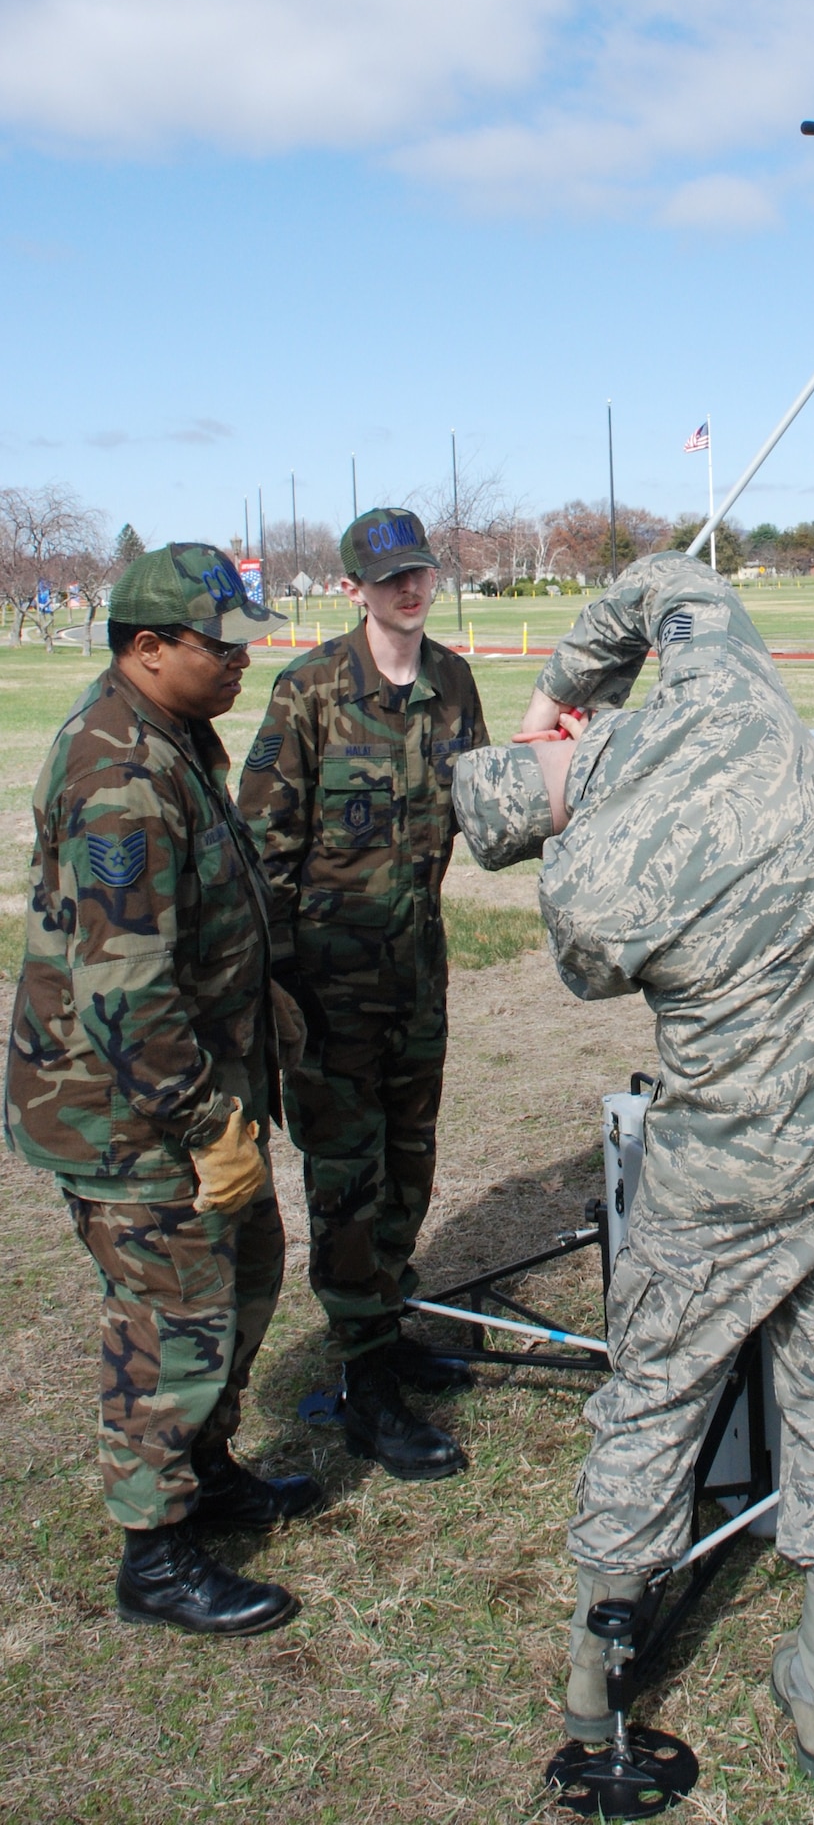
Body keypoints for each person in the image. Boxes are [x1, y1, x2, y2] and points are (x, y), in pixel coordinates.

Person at [452, 551, 814, 1780]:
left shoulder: (588, 883)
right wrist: (561, 686)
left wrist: (565, 797)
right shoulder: (727, 692)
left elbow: (591, 959)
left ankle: (594, 1680)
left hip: (730, 1164)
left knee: (654, 1395)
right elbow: (666, 578)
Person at [5, 544, 323, 1635]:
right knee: (173, 1315)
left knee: (246, 1277)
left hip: (196, 1087)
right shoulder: (118, 776)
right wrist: (202, 1124)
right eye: (218, 646)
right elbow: (125, 990)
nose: (241, 664)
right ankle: (155, 1551)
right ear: (146, 648)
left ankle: (208, 1470)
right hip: (129, 1112)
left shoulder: (174, 733)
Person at [238, 508, 488, 1482]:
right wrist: (283, 989)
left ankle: (389, 1329)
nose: (408, 590)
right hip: (326, 990)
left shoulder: (453, 680)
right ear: (354, 588)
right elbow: (264, 850)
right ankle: (363, 1381)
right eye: (388, 578)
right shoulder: (308, 690)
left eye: (418, 572)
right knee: (346, 1179)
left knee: (410, 1166)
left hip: (416, 972)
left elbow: (480, 802)